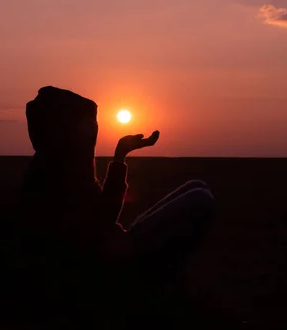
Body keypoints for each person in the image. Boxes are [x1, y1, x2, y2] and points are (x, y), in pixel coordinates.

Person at [21, 86, 216, 312]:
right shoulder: (53, 176)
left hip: (117, 246)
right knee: (201, 199)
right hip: (115, 263)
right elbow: (100, 222)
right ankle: (161, 279)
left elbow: (99, 215)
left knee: (198, 187)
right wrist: (120, 156)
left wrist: (121, 154)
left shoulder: (56, 167)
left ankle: (165, 277)